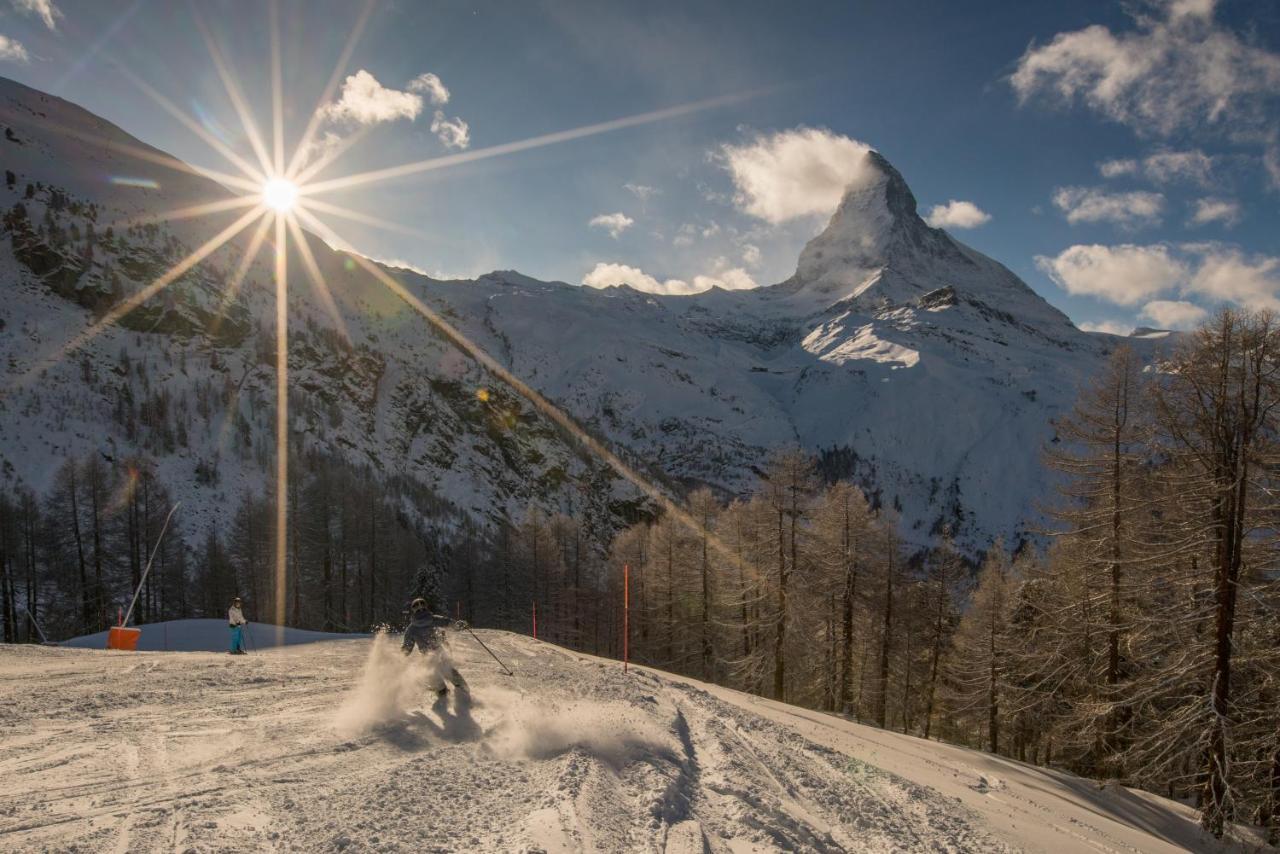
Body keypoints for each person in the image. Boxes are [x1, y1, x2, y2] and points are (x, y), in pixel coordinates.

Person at [402, 597, 468, 696]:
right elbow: (448, 622)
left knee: (433, 676)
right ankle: (463, 690)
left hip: (427, 656)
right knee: (448, 671)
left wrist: (400, 656)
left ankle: (442, 693)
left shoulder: (411, 629)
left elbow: (407, 648)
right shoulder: (433, 619)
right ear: (426, 607)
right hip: (440, 651)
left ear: (413, 611)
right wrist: (458, 625)